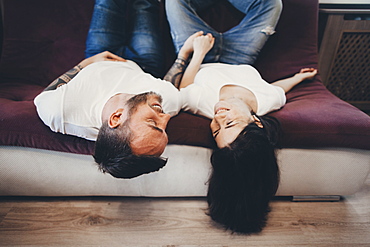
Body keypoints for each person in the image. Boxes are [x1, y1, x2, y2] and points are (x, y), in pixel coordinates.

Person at [165, 0, 318, 234]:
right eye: (230, 122)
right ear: (256, 121)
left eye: (215, 130)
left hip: (201, 53)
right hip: (241, 55)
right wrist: (298, 78)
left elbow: (184, 86)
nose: (218, 117)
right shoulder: (269, 102)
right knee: (273, 4)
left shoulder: (203, 106)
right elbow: (276, 88)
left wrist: (198, 53)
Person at [34, 0, 182, 179]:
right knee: (145, 5)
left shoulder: (58, 113)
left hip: (102, 55)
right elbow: (168, 86)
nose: (166, 116)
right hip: (144, 63)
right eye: (165, 129)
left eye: (153, 122)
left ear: (117, 117)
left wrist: (85, 64)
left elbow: (45, 96)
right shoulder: (169, 101)